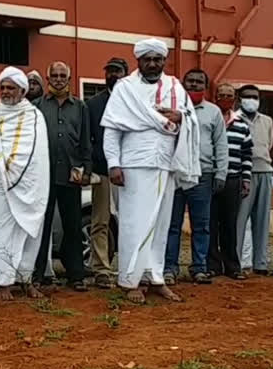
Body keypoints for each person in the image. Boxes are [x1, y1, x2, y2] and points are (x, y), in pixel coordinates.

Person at [101, 38, 199, 304]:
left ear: (164, 61)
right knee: (134, 224)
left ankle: (155, 278)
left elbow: (191, 118)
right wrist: (114, 164)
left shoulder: (175, 87)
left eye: (158, 59)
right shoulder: (125, 89)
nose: (153, 63)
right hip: (133, 165)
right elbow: (112, 129)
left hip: (165, 163)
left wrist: (181, 117)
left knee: (160, 224)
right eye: (148, 59)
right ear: (139, 61)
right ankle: (132, 280)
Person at [0, 67, 49, 301]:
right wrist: (3, 167)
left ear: (22, 91)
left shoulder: (35, 116)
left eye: (11, 88)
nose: (6, 92)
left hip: (31, 182)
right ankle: (3, 284)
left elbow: (40, 154)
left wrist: (26, 176)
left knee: (29, 231)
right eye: (3, 87)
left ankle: (26, 280)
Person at [164, 69, 227, 285]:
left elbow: (221, 144)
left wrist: (221, 173)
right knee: (172, 224)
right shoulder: (173, 108)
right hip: (175, 173)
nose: (194, 85)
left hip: (203, 174)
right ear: (183, 83)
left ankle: (199, 267)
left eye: (199, 81)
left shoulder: (213, 112)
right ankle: (169, 268)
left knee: (201, 224)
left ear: (205, 86)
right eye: (190, 81)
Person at [33, 61, 91, 291]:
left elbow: (86, 141)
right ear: (48, 80)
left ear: (68, 79)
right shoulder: (37, 106)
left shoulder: (80, 107)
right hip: (43, 176)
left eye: (62, 75)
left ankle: (76, 274)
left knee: (73, 225)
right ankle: (36, 274)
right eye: (54, 75)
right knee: (42, 226)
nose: (58, 79)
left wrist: (86, 170)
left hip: (72, 175)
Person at [86, 57, 128, 288]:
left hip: (132, 173)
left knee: (131, 220)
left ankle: (130, 267)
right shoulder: (93, 104)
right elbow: (88, 139)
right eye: (110, 71)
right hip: (102, 172)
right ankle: (101, 269)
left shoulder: (135, 101)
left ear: (126, 73)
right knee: (100, 221)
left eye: (118, 71)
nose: (113, 75)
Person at [207, 83, 251, 280]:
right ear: (215, 97)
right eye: (221, 95)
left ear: (235, 99)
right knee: (209, 223)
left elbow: (247, 154)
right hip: (210, 177)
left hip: (233, 178)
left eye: (229, 95)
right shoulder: (208, 118)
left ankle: (232, 266)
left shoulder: (242, 124)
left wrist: (246, 178)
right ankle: (212, 266)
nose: (225, 98)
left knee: (229, 224)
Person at [234, 84, 273, 275]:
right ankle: (236, 263)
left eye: (255, 97)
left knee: (262, 220)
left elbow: (270, 144)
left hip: (265, 171)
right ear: (239, 99)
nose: (251, 100)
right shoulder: (233, 119)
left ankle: (261, 263)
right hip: (244, 173)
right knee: (240, 219)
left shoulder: (267, 121)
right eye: (247, 96)